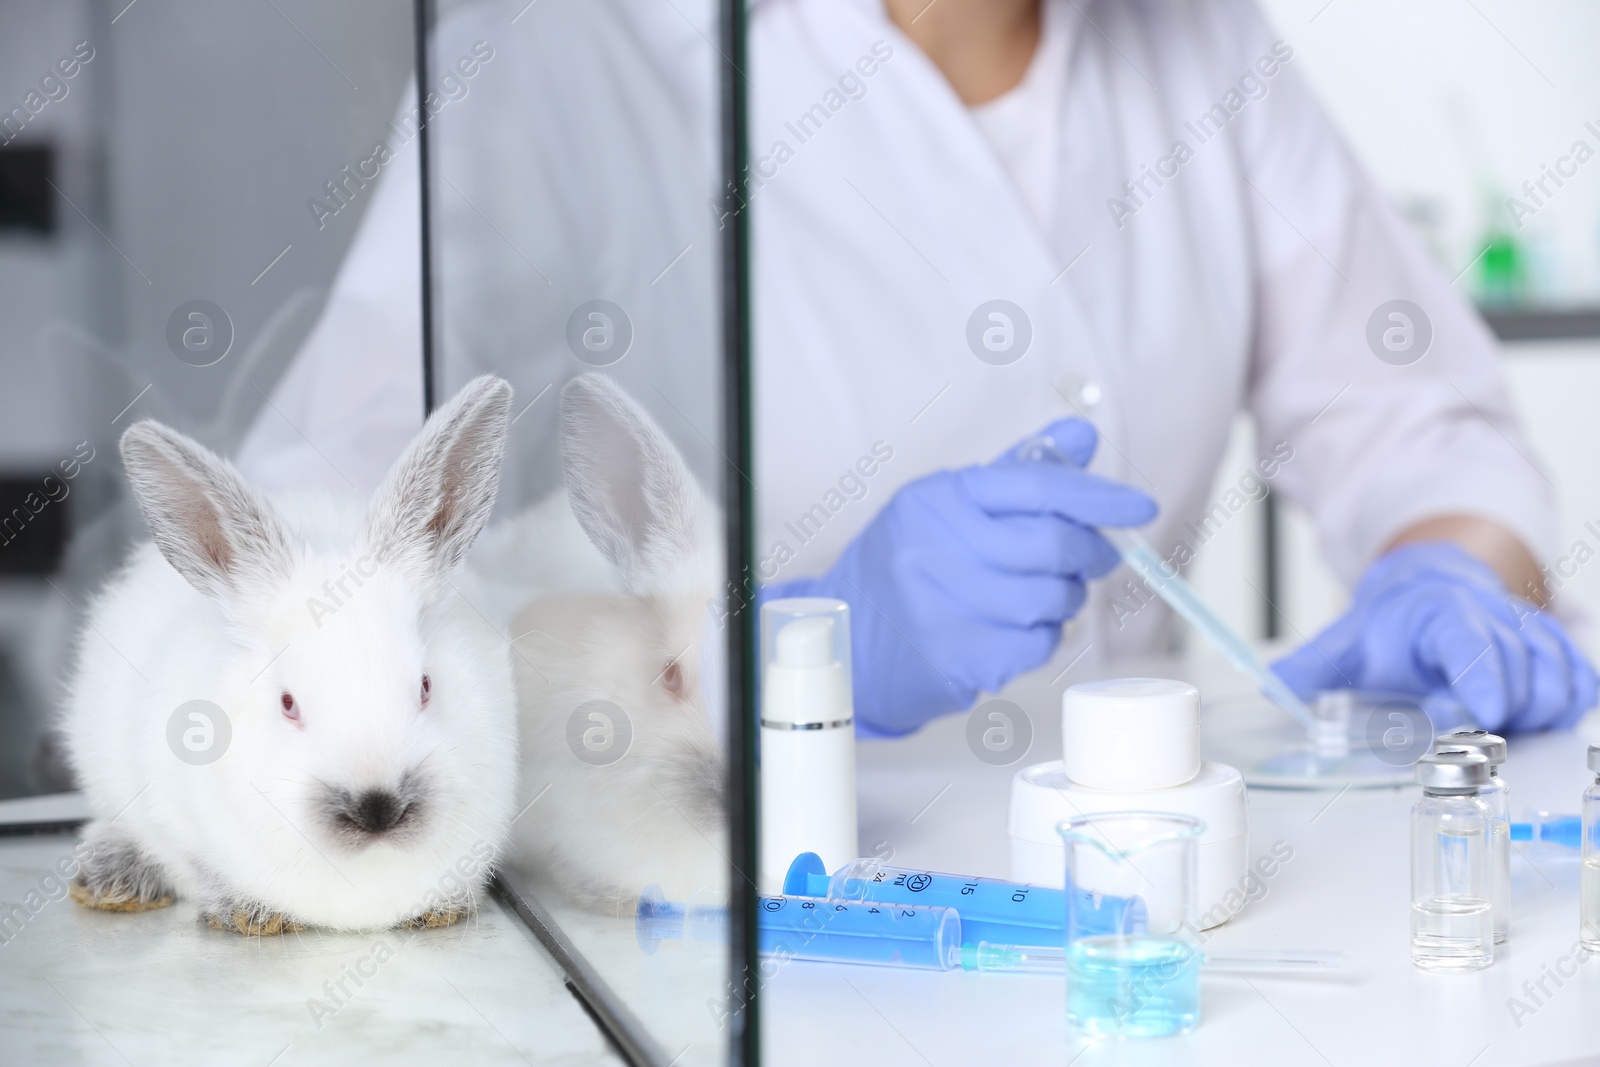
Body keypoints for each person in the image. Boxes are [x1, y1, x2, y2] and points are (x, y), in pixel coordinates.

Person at [239, 0, 1596, 740]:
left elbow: (1420, 425)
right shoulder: (568, 42)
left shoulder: (1201, 42)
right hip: (705, 946)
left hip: (1148, 922)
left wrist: (1454, 576)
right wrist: (790, 649)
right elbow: (318, 575)